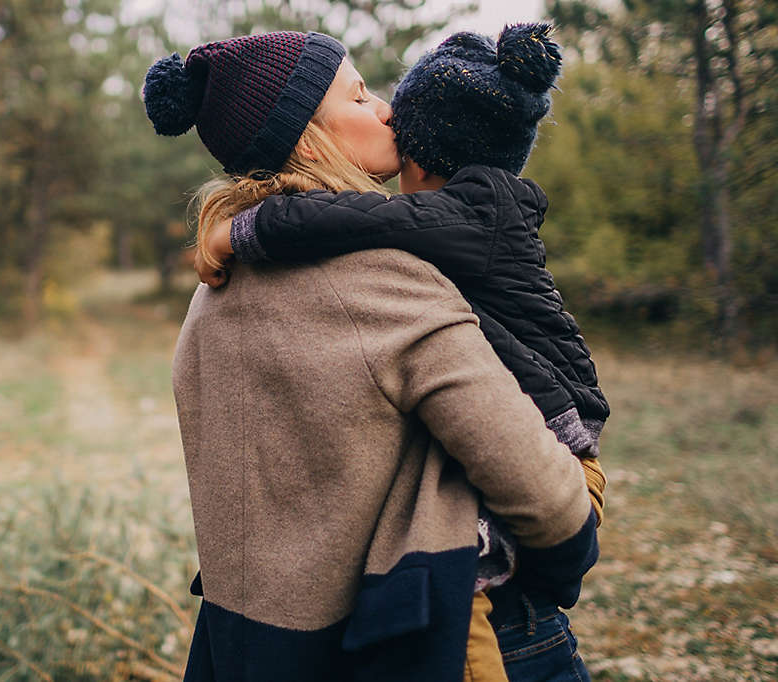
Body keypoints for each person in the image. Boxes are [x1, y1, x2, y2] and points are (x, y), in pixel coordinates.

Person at [144, 30, 599, 682]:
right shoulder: (386, 279)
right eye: (360, 97)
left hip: (270, 649)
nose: (388, 109)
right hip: (444, 640)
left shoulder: (211, 293)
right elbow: (546, 497)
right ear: (307, 137)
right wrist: (571, 551)